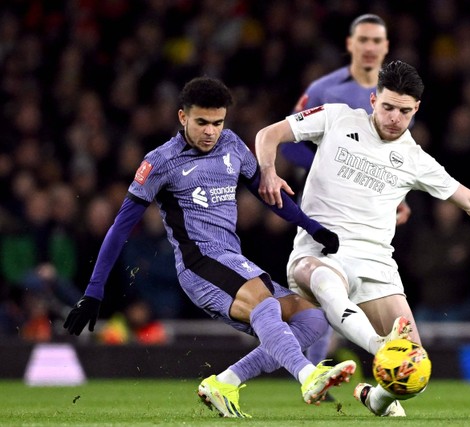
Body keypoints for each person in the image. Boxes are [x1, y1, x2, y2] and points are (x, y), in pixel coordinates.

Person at [254, 60, 470, 416]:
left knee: (416, 372)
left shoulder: (414, 158)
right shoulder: (335, 118)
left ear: (417, 109)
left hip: (376, 265)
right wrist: (268, 172)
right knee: (321, 278)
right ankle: (380, 345)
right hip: (320, 253)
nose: (395, 117)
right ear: (373, 99)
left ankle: (375, 397)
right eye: (388, 107)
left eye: (405, 111)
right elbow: (268, 135)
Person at [63, 76, 358, 417]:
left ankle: (224, 382)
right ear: (182, 117)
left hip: (232, 260)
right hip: (199, 265)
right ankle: (308, 377)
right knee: (264, 302)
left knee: (313, 319)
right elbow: (119, 228)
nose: (210, 131)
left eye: (217, 122)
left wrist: (314, 227)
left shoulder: (232, 146)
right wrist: (93, 291)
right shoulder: (161, 162)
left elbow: (269, 194)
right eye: (201, 122)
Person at [280, 12, 412, 371]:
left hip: (373, 210)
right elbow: (289, 145)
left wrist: (397, 198)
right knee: (323, 287)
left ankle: (373, 365)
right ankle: (313, 368)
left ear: (386, 47)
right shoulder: (326, 90)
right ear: (350, 45)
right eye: (363, 40)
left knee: (370, 283)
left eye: (376, 41)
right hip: (327, 207)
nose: (369, 48)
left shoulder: (395, 96)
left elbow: (394, 158)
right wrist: (336, 173)